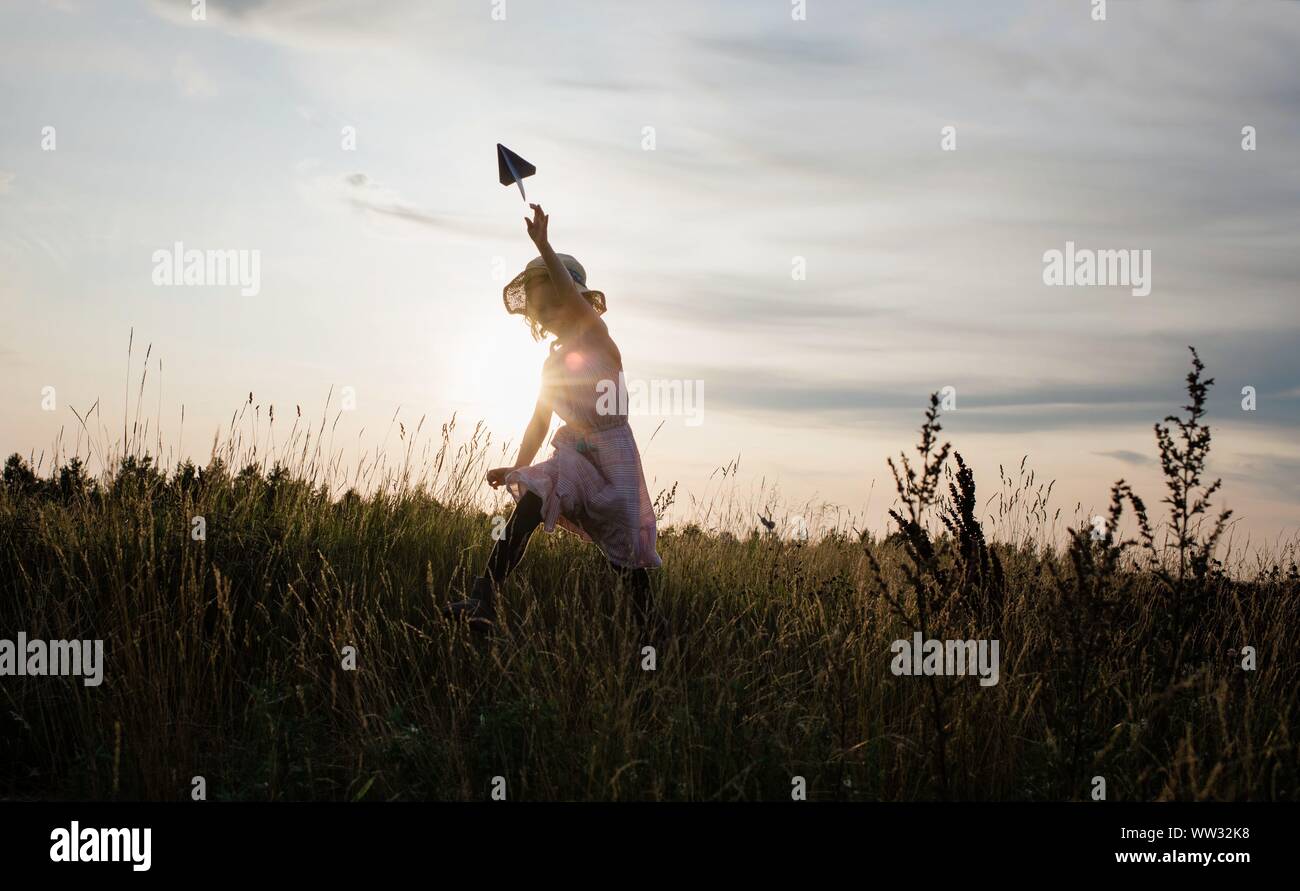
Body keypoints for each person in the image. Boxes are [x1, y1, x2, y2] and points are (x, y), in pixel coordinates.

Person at [443, 203, 662, 632]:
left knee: (626, 559)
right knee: (530, 501)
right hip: (574, 454)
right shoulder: (551, 366)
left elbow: (577, 310)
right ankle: (482, 598)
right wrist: (520, 467)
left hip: (613, 457)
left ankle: (652, 636)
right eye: (539, 311)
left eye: (554, 305)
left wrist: (544, 245)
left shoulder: (599, 340)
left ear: (575, 303)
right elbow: (539, 423)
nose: (545, 315)